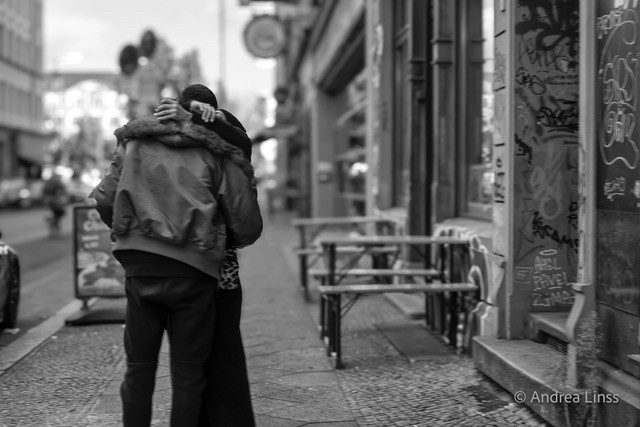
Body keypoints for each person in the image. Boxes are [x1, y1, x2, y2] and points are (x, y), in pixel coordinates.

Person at [89, 84, 263, 427]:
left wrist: (132, 231)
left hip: (140, 268)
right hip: (194, 272)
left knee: (138, 371)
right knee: (188, 375)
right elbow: (246, 224)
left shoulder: (135, 142)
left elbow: (105, 199)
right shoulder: (216, 151)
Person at [154, 87, 257, 427]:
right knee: (222, 346)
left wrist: (196, 117)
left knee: (190, 354)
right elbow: (243, 146)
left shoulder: (211, 133)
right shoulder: (215, 141)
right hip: (218, 266)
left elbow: (241, 142)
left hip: (178, 265)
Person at [42, 173, 68, 238]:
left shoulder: (53, 184)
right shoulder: (53, 185)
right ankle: (54, 232)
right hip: (54, 204)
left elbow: (63, 193)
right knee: (53, 218)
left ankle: (54, 232)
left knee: (55, 218)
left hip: (56, 204)